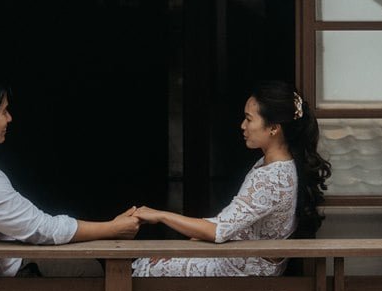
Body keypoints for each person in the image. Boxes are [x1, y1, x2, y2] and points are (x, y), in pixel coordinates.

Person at [0, 76, 139, 277]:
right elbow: (43, 229)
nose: (9, 118)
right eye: (4, 111)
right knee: (88, 269)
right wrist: (113, 228)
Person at [131, 79, 329, 280]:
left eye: (249, 119)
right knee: (155, 262)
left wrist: (161, 216)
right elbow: (230, 223)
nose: (243, 126)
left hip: (243, 273)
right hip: (244, 264)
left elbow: (219, 230)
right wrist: (184, 246)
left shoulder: (271, 178)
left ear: (273, 128)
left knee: (146, 267)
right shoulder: (279, 165)